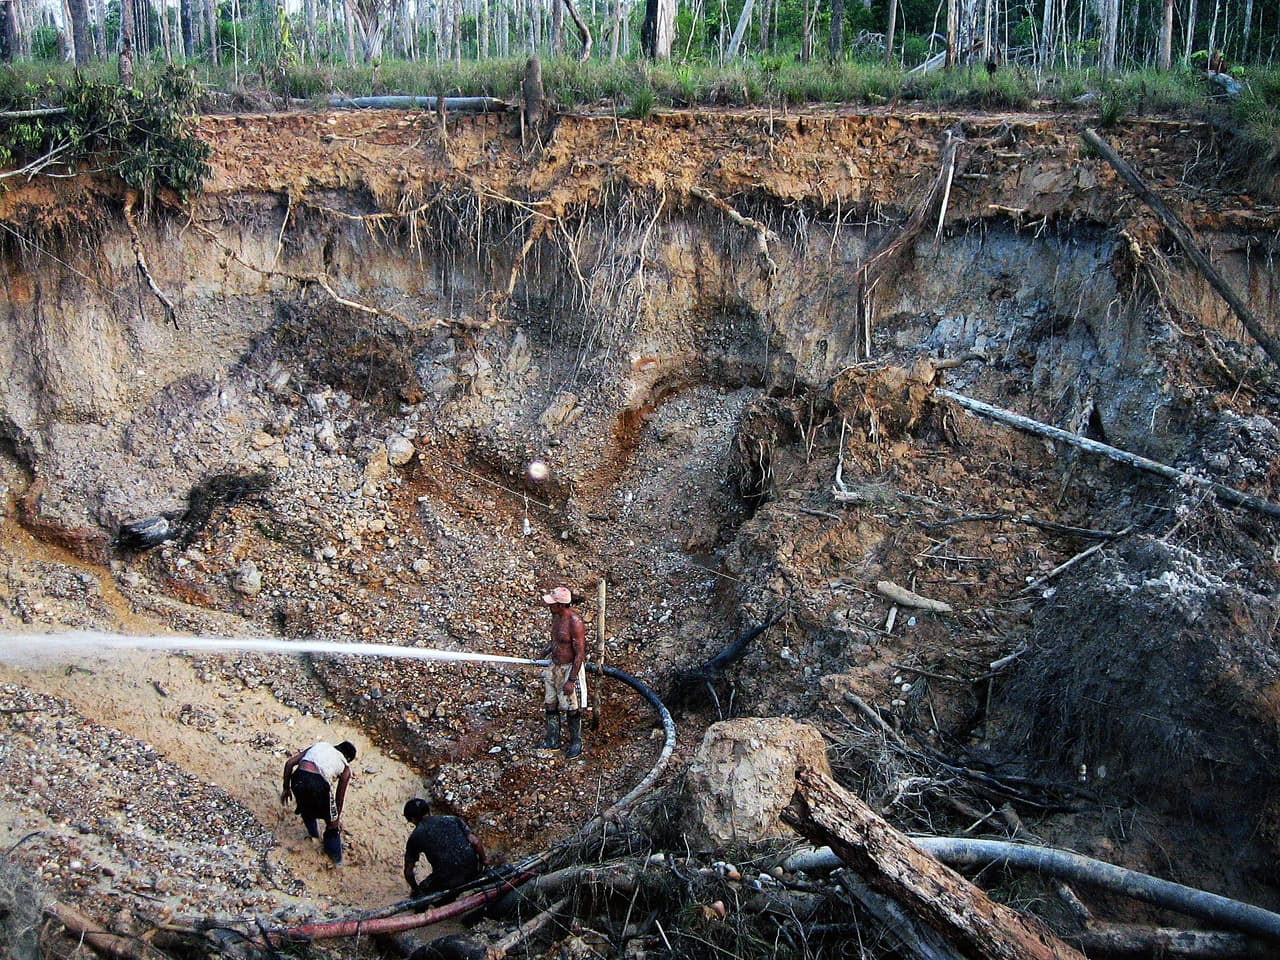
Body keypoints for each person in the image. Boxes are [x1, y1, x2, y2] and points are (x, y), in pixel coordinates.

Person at [281, 740, 356, 865]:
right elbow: (339, 797)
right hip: (317, 783)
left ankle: (314, 837)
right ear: (347, 758)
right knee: (332, 827)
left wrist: (286, 788)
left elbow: (289, 763)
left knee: (306, 809)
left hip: (298, 778)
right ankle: (336, 861)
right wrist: (335, 819)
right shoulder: (346, 767)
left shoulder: (318, 746)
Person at [403, 798, 487, 899]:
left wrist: (416, 890)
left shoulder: (415, 836)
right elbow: (476, 842)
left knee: (424, 890)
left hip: (447, 879)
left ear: (412, 819)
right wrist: (484, 860)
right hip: (472, 870)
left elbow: (408, 872)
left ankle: (421, 909)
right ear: (428, 811)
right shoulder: (452, 819)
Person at [540, 585, 586, 759]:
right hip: (554, 667)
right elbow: (556, 642)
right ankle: (553, 740)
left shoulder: (574, 622)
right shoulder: (556, 617)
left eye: (552, 604)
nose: (549, 607)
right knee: (550, 703)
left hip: (568, 669)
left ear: (560, 605)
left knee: (571, 708)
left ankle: (576, 742)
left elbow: (579, 653)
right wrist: (544, 652)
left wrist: (571, 680)